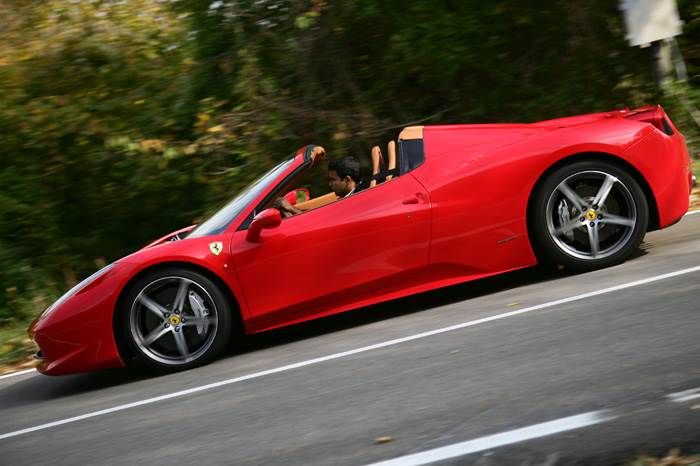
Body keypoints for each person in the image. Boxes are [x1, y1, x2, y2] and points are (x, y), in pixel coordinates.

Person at [275, 154, 362, 218]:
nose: (330, 184)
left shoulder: (354, 202)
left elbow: (319, 221)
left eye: (333, 180)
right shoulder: (345, 198)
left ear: (347, 180)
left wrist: (291, 209)